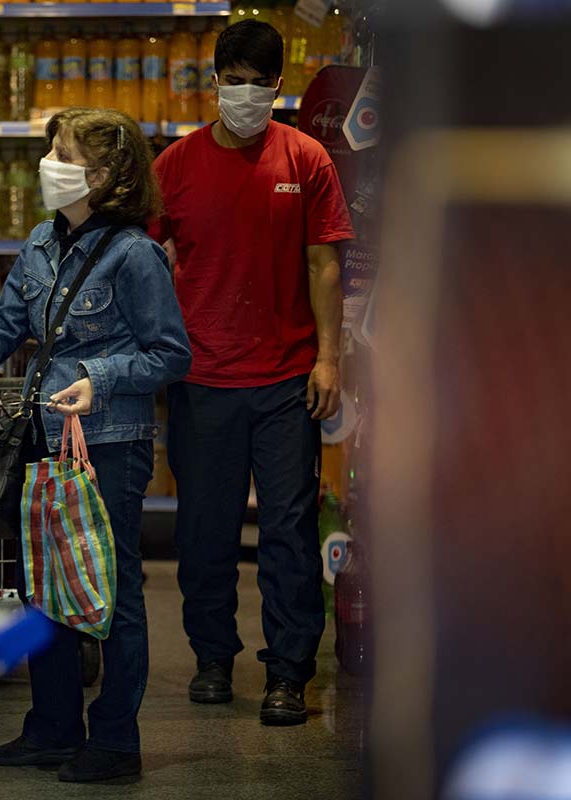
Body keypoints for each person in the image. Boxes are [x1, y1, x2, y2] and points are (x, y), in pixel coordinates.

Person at [0, 107, 192, 783]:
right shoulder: (41, 245)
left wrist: (97, 380)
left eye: (63, 151)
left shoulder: (135, 256)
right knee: (43, 586)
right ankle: (51, 727)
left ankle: (114, 740)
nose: (49, 160)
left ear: (104, 175)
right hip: (46, 438)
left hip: (109, 443)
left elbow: (170, 354)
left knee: (109, 590)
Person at [149, 19, 354, 726]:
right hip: (201, 377)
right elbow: (144, 261)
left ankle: (289, 672)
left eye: (256, 84)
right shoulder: (174, 166)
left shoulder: (306, 160)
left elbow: (324, 262)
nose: (242, 94)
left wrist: (329, 357)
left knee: (290, 533)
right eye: (231, 80)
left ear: (278, 88)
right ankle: (211, 658)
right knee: (203, 531)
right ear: (214, 81)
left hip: (285, 378)